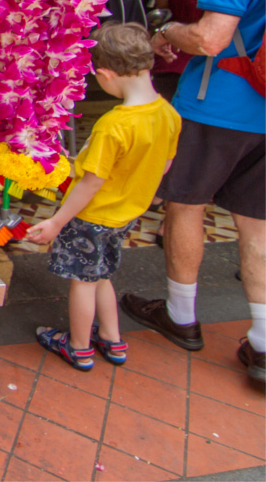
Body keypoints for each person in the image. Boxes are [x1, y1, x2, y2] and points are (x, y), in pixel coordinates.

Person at [123, 0, 266, 382]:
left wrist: (169, 35)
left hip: (221, 102)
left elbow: (210, 37)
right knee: (256, 227)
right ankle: (260, 340)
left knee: (186, 204)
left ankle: (181, 317)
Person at [27, 23, 181, 371]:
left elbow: (90, 183)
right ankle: (112, 339)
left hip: (92, 217)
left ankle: (79, 346)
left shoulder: (114, 125)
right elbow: (164, 165)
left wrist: (56, 221)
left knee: (82, 281)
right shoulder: (169, 114)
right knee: (101, 274)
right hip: (127, 214)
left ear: (106, 75)